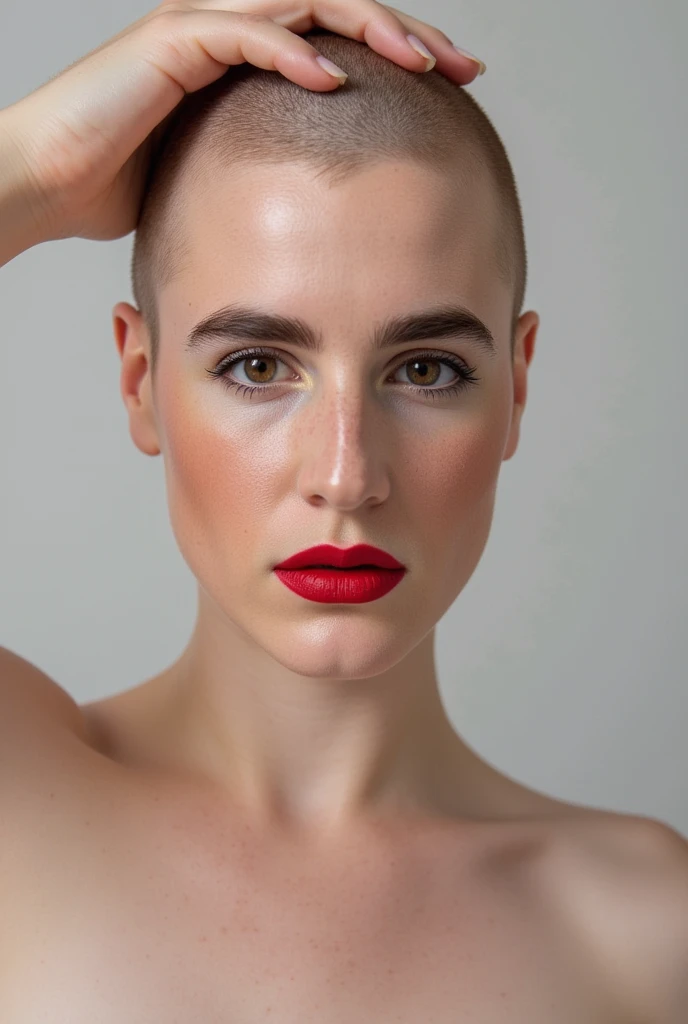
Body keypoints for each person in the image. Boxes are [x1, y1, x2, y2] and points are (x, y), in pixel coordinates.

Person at [0, 1, 686, 1020]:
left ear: (518, 388)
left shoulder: (643, 924)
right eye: (258, 365)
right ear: (140, 380)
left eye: (424, 368)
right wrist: (32, 164)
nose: (346, 473)